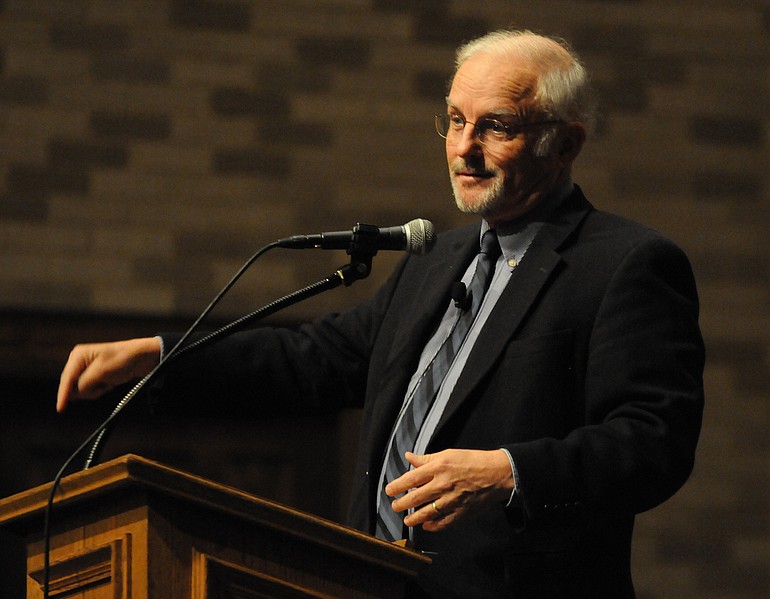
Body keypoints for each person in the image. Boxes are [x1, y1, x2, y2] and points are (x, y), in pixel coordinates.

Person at [57, 29, 704, 598]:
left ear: (566, 143)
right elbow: (314, 360)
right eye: (454, 120)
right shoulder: (435, 259)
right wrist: (162, 355)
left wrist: (508, 471)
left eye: (495, 126)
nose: (464, 147)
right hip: (367, 581)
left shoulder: (624, 263)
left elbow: (653, 441)